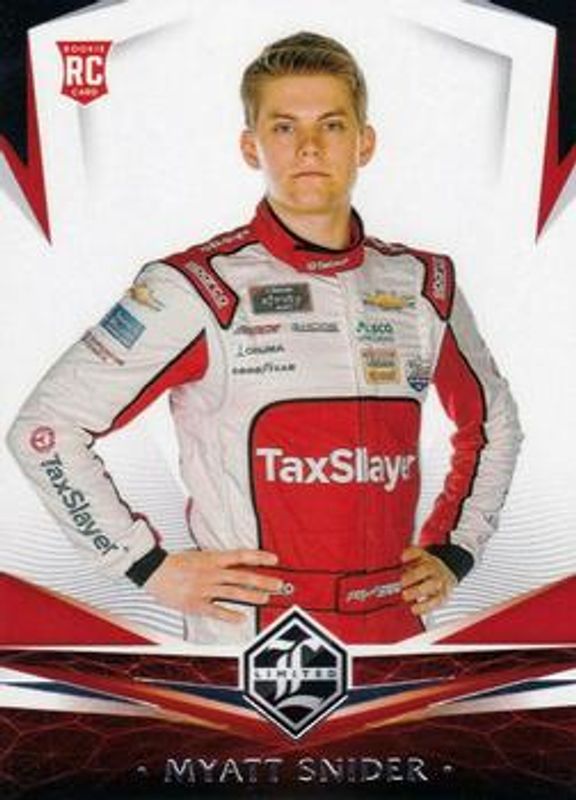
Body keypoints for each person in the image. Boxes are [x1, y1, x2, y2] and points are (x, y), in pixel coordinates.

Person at [7, 32, 522, 645]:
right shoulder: (194, 288)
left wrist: (455, 550)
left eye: (332, 125)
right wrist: (142, 564)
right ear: (251, 147)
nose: (309, 147)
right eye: (283, 128)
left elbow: (495, 424)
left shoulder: (423, 284)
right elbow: (45, 430)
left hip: (395, 636)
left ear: (364, 143)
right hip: (246, 648)